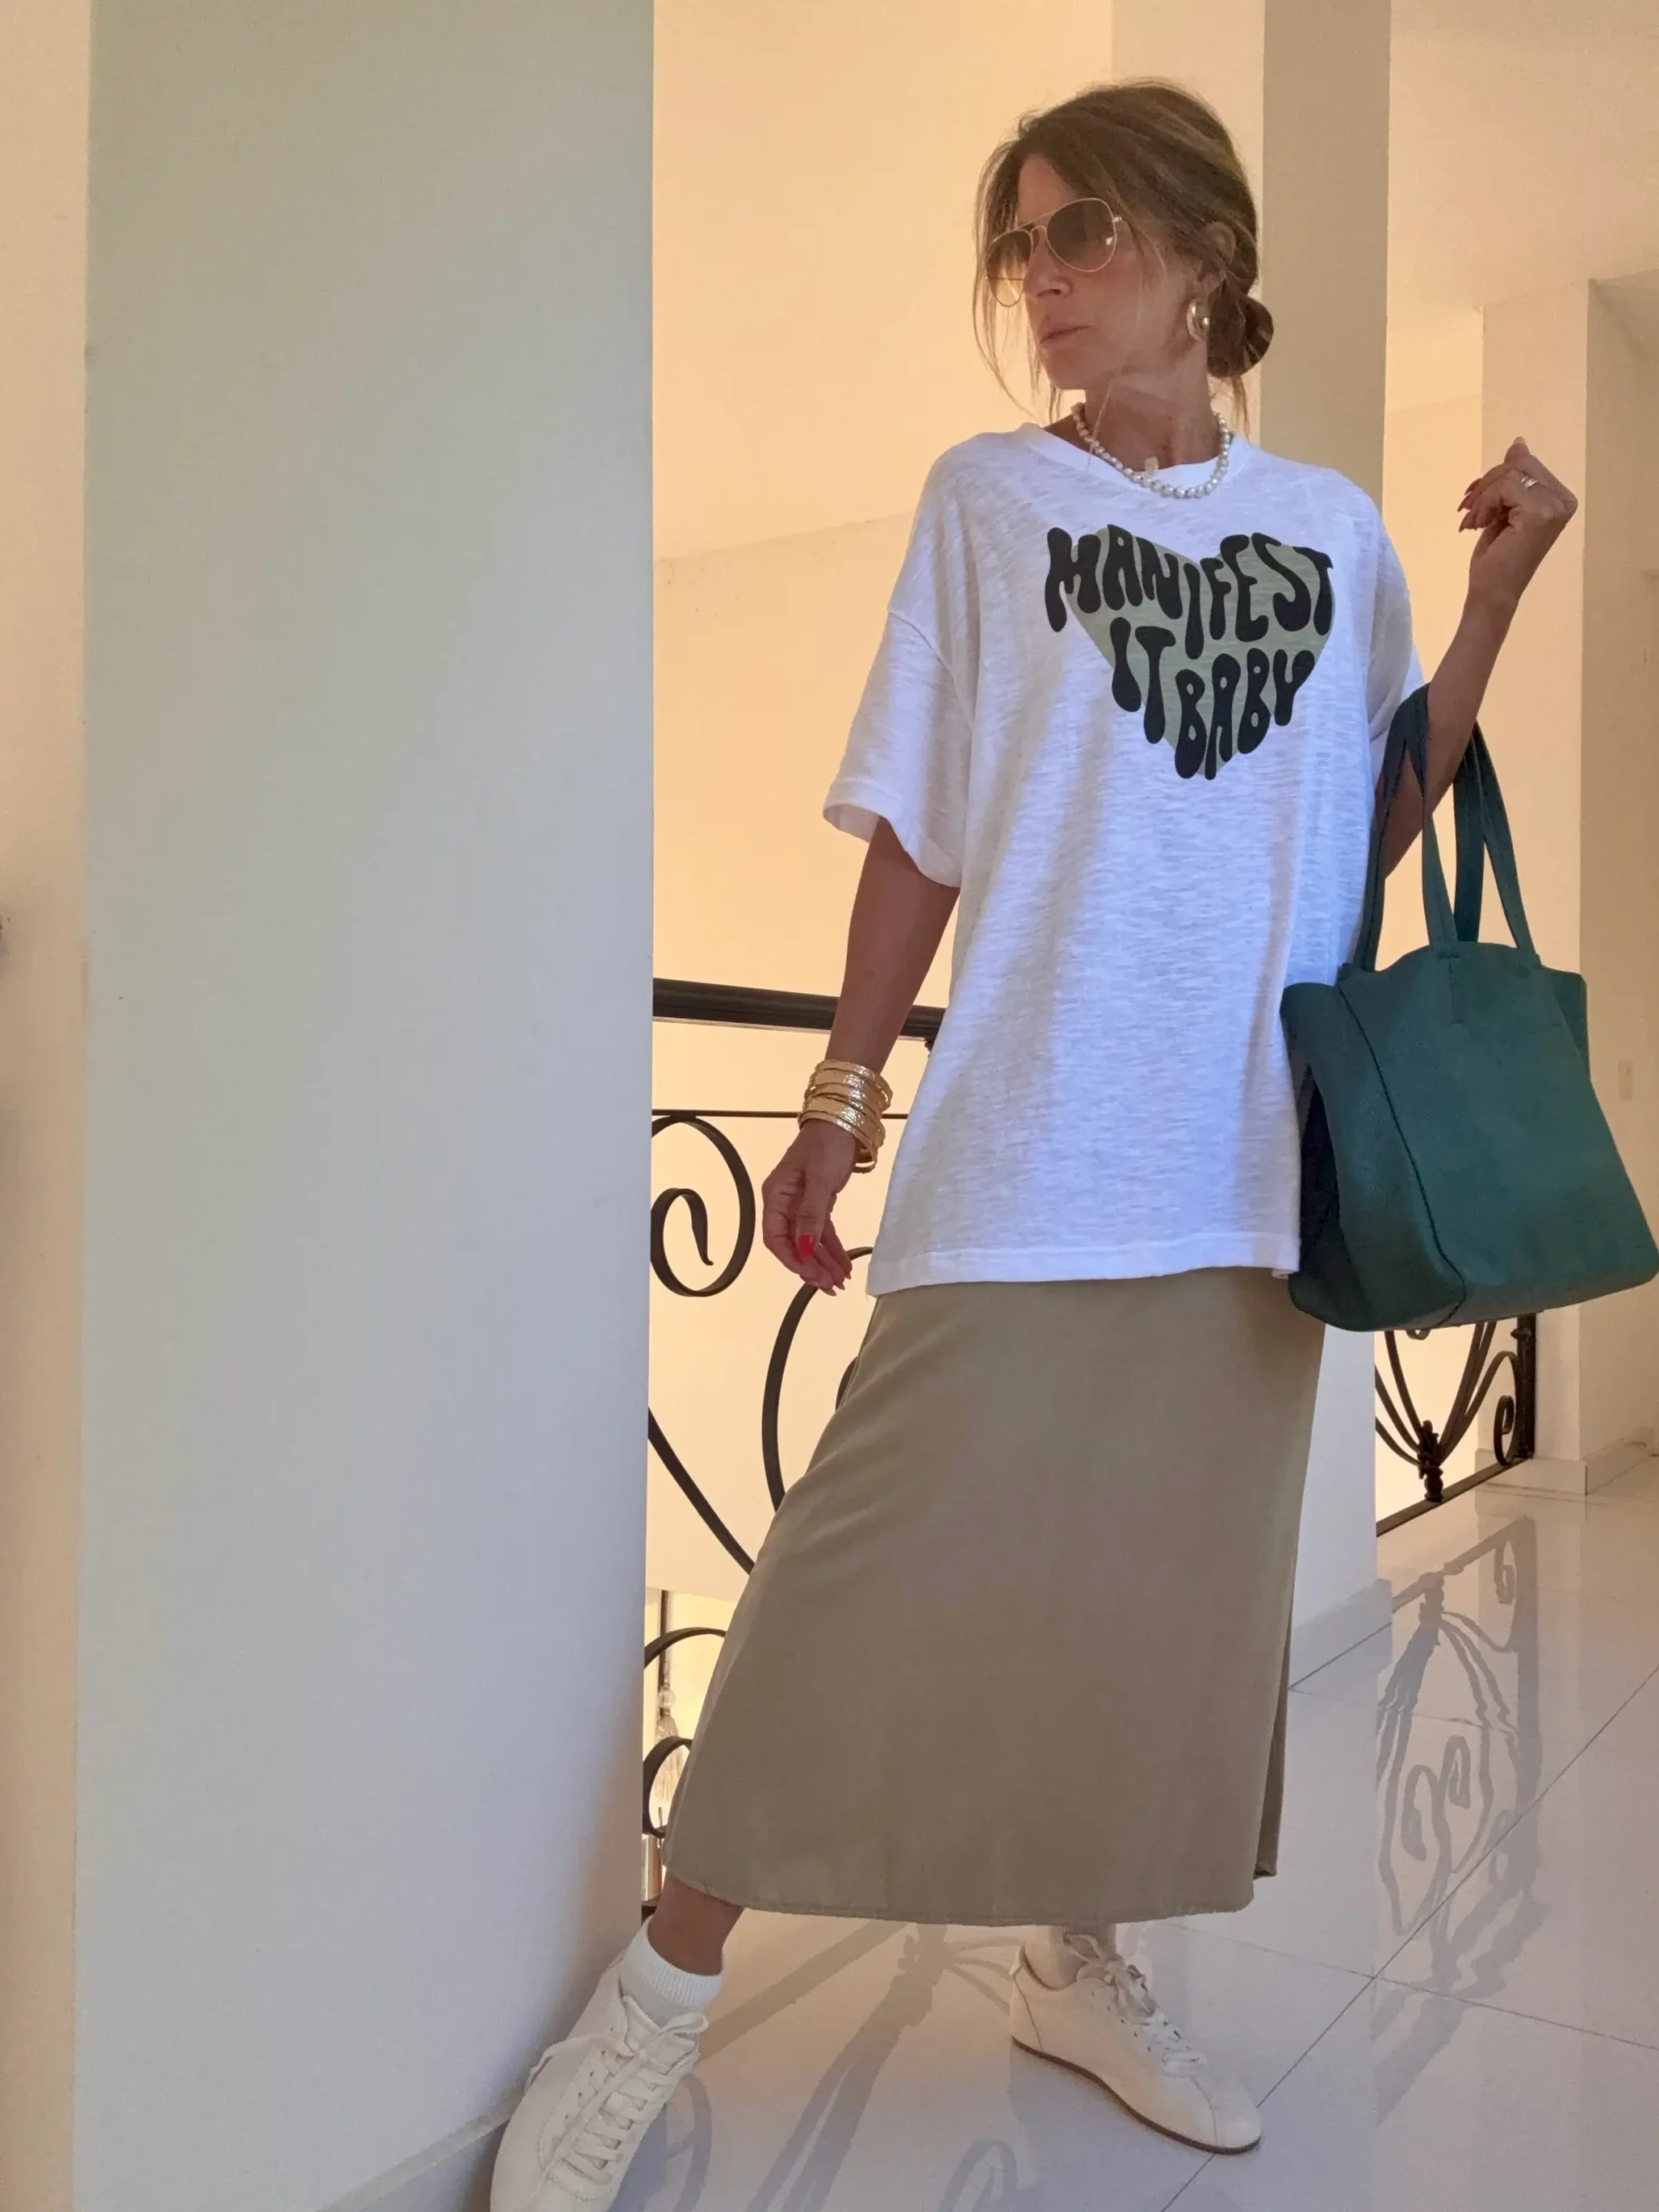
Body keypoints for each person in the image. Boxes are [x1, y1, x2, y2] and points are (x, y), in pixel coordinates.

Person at [491, 81, 1576, 2212]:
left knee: (1157, 1622)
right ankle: (659, 1998)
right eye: (1024, 243)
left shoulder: (1337, 529)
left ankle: (1080, 1960)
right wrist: (839, 1095)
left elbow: (1360, 831)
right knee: (845, 1583)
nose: (1044, 278)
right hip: (1028, 1137)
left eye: (1086, 232)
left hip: (1247, 1160)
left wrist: (1493, 605)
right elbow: (920, 820)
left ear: (1202, 256)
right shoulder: (990, 500)